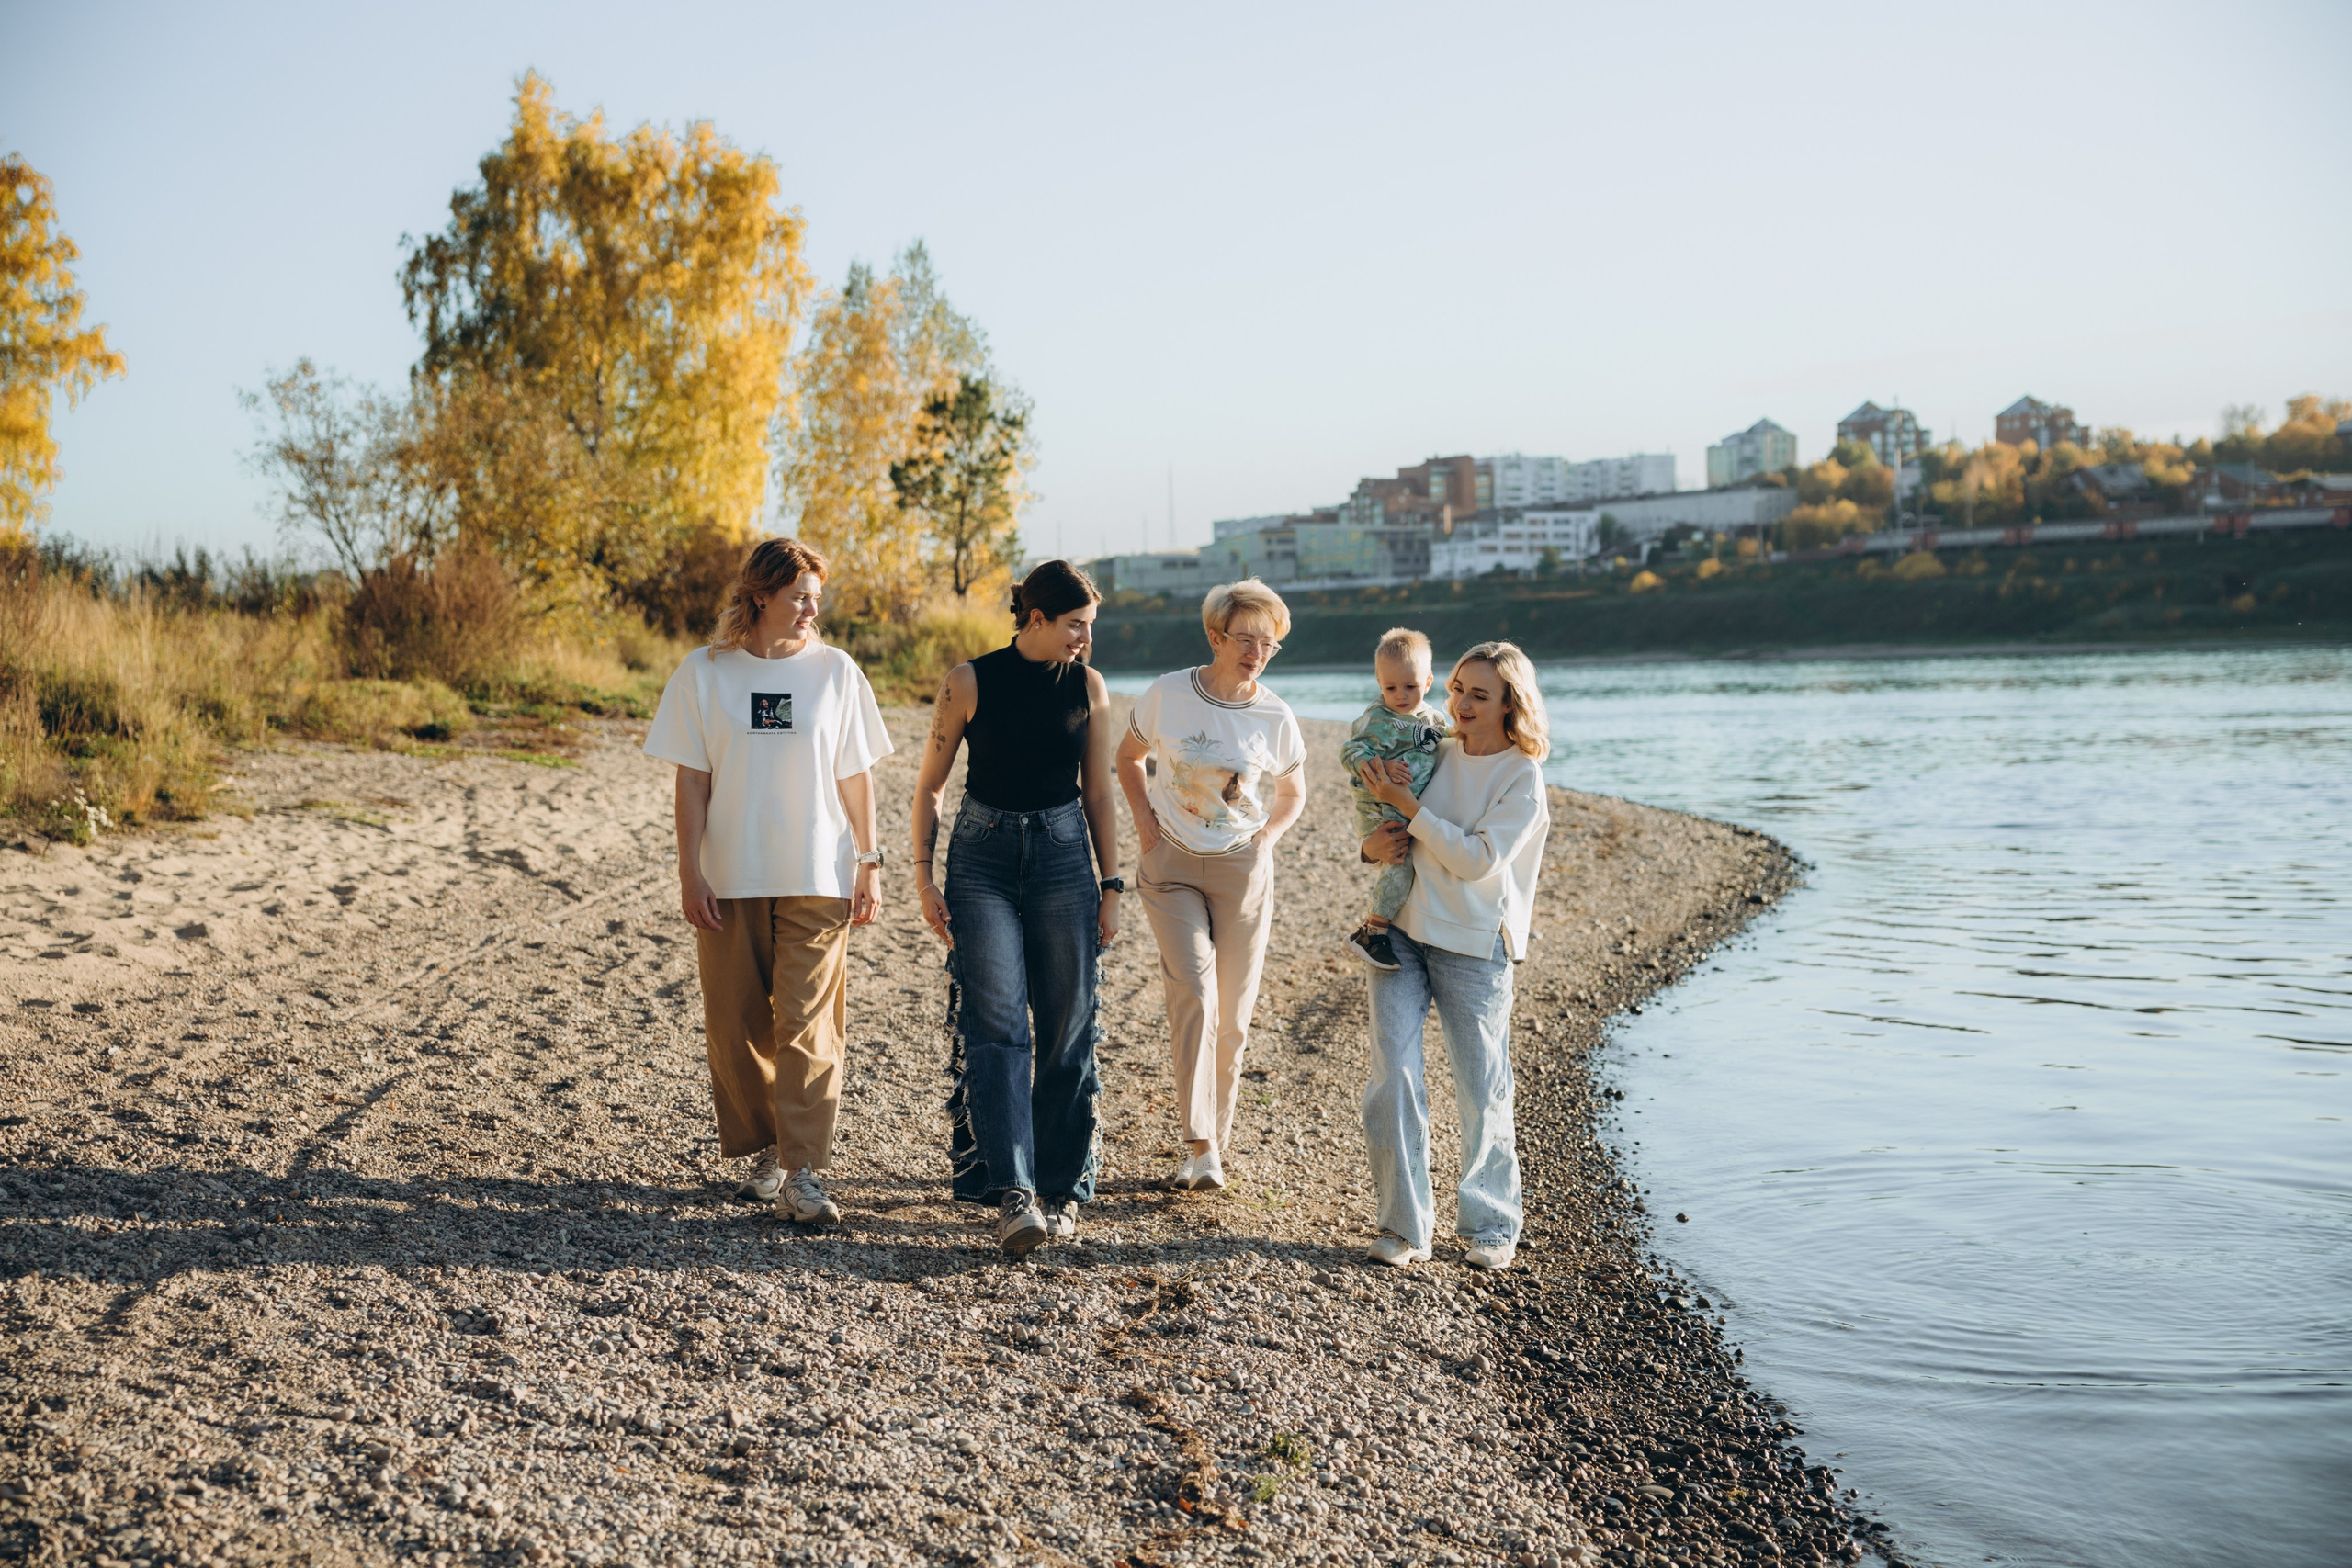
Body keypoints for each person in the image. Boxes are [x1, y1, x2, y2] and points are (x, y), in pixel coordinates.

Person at [642, 537, 893, 1227]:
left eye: (817, 596)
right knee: (737, 1021)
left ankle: (804, 1168)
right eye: (799, 596)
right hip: (730, 875)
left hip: (819, 872)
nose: (813, 608)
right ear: (760, 596)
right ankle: (769, 1148)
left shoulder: (838, 673)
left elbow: (855, 775)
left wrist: (869, 860)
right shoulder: (704, 674)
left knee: (809, 1022)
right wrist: (690, 870)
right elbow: (692, 781)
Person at [911, 560, 1122, 1258]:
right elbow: (930, 788)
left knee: (1067, 1023)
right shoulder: (969, 680)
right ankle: (1014, 1193)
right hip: (982, 862)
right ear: (1036, 618)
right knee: (997, 1023)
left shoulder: (1090, 688)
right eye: (1075, 625)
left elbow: (1098, 796)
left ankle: (1060, 1189)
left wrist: (1113, 885)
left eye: (1089, 627)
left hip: (1065, 859)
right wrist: (921, 875)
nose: (1085, 639)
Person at [1352, 639, 1551, 1271]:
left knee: (1482, 1088)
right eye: (1458, 688)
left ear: (1508, 704)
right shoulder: (1432, 751)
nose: (1460, 703)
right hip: (1403, 933)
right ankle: (1405, 1227)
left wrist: (1412, 812)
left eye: (1479, 694)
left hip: (1475, 945)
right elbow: (1380, 819)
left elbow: (1475, 860)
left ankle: (1491, 1226)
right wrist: (1369, 848)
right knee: (1394, 1078)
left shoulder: (1522, 774)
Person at [1117, 579, 1307, 1193]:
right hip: (1170, 867)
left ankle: (1215, 1145)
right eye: (1246, 637)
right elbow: (1128, 757)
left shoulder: (1275, 714)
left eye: (1269, 642)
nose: (1257, 650)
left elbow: (1294, 791)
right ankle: (1197, 1141)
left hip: (1243, 871)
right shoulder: (1168, 694)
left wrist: (1267, 838)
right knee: (1194, 991)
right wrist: (1146, 826)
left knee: (1235, 1015)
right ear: (1216, 636)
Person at [1340, 627, 1453, 972]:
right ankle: (1372, 930)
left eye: (1411, 686)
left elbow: (1450, 739)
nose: (1401, 696)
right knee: (1399, 865)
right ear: (1379, 683)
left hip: (1408, 808)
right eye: (1390, 688)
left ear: (1429, 682)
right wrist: (1380, 764)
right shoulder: (1378, 719)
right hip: (1379, 807)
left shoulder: (1433, 719)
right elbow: (1349, 752)